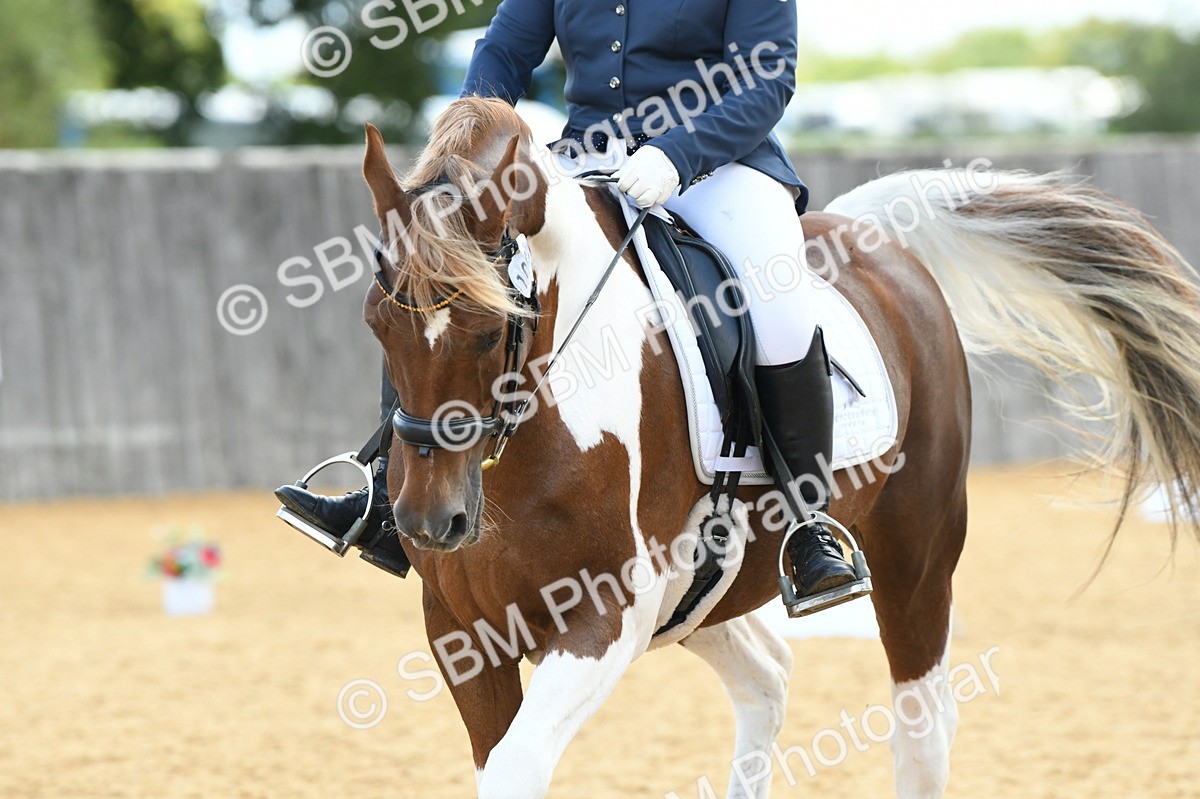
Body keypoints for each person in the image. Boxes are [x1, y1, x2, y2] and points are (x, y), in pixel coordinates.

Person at [277, 0, 858, 607]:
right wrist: (470, 152)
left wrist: (676, 154)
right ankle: (383, 493)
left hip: (720, 166)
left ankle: (808, 524)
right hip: (585, 158)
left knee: (782, 313)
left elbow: (766, 80)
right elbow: (503, 52)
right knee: (431, 264)